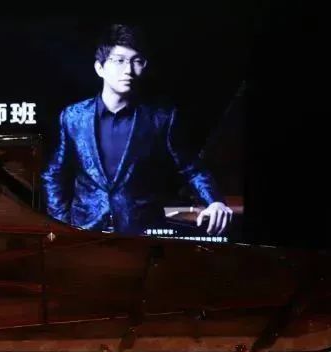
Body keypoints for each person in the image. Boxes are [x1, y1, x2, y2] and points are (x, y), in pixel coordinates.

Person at [41, 24, 233, 236]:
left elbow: (191, 169)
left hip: (140, 235)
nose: (129, 70)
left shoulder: (161, 118)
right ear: (99, 68)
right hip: (84, 233)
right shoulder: (73, 117)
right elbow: (54, 174)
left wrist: (215, 201)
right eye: (119, 60)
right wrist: (61, 224)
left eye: (137, 61)